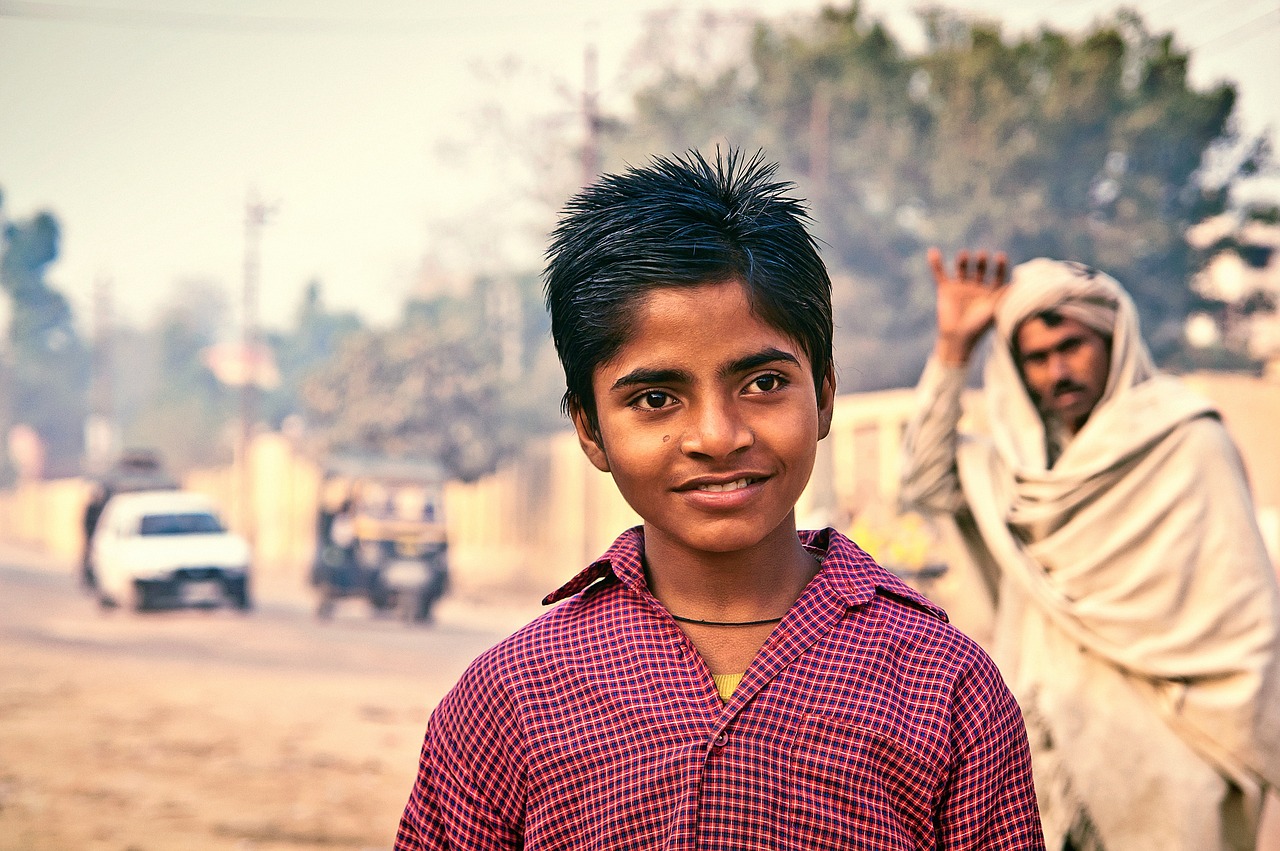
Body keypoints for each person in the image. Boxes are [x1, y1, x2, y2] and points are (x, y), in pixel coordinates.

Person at [394, 151, 1044, 850]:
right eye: (655, 398)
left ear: (824, 395)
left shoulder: (944, 686)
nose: (717, 435)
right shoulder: (514, 696)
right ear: (590, 430)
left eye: (763, 383)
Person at [900, 250, 1280, 850]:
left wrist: (1214, 749)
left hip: (1168, 761)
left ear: (1114, 342)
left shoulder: (1186, 442)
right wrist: (953, 349)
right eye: (1037, 358)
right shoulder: (1020, 472)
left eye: (1072, 347)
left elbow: (1245, 615)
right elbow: (925, 478)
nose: (1057, 372)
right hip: (1046, 759)